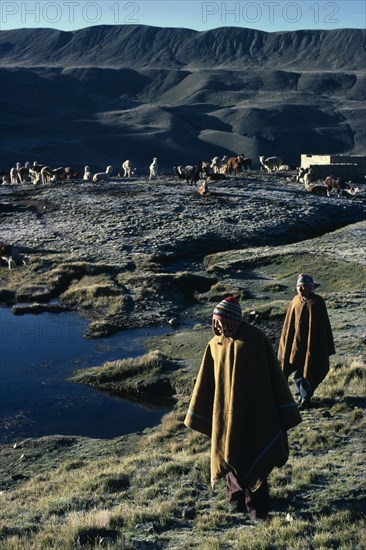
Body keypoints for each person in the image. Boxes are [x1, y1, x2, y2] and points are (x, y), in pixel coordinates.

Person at [184, 296, 302, 520]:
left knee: (251, 450)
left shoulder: (255, 341)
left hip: (255, 414)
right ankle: (236, 501)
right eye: (215, 322)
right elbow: (208, 384)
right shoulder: (214, 345)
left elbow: (272, 380)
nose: (218, 327)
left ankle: (257, 507)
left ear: (233, 320)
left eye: (221, 322)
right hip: (225, 415)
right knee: (229, 452)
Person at [278, 274, 335, 410]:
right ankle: (300, 396)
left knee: (309, 370)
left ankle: (305, 399)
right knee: (297, 371)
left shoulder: (317, 303)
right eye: (298, 286)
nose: (300, 289)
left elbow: (322, 328)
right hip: (296, 345)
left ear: (310, 287)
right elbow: (289, 326)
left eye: (304, 286)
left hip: (312, 346)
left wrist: (322, 346)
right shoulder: (295, 301)